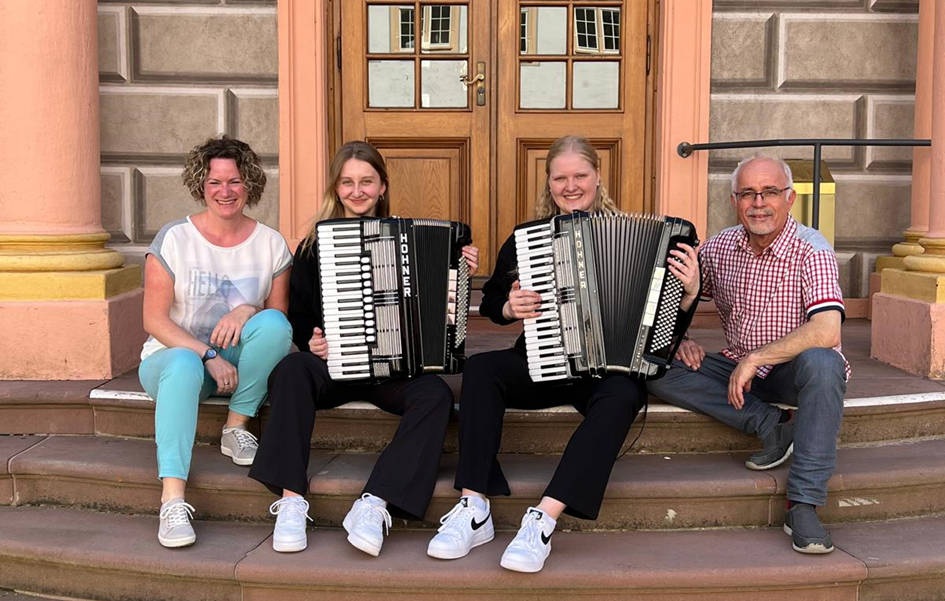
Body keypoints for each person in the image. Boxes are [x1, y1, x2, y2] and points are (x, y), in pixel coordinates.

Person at [425, 135, 701, 573]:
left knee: (625, 396)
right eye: (560, 178)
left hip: (607, 370)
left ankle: (543, 519)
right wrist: (507, 307)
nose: (570, 186)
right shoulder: (526, 238)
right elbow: (494, 301)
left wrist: (687, 296)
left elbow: (660, 335)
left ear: (597, 178)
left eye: (580, 176)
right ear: (548, 183)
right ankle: (473, 505)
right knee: (482, 370)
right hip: (543, 359)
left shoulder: (652, 239)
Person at [249, 140, 480, 556]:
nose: (357, 191)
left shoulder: (411, 239)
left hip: (393, 371)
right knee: (290, 371)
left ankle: (375, 503)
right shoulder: (311, 247)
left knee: (436, 395)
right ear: (336, 189)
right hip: (334, 367)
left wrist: (458, 273)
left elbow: (445, 313)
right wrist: (311, 341)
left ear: (382, 186)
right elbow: (298, 317)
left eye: (367, 182)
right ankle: (290, 500)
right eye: (347, 182)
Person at [648, 155, 849, 555]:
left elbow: (827, 330)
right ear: (734, 200)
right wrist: (677, 335)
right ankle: (772, 423)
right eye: (748, 194)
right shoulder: (721, 247)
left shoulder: (812, 249)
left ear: (789, 198)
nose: (759, 203)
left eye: (770, 192)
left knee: (824, 364)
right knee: (652, 364)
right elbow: (672, 297)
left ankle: (803, 504)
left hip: (791, 371)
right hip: (737, 364)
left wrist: (758, 357)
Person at [139, 136, 293, 548]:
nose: (225, 192)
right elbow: (153, 319)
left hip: (234, 363)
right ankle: (172, 500)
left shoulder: (270, 243)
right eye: (214, 182)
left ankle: (236, 425)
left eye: (235, 182)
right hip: (173, 363)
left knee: (274, 324)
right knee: (185, 364)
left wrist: (246, 311)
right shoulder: (175, 238)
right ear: (200, 185)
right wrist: (206, 353)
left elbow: (279, 320)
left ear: (250, 185)